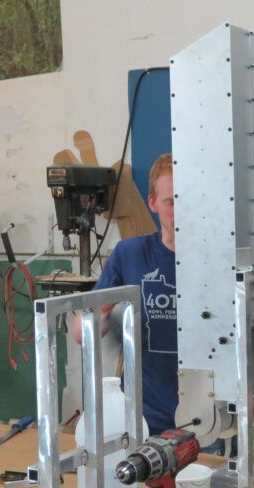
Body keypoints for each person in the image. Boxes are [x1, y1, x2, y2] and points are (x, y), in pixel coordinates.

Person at [71, 153, 178, 435]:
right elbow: (81, 331)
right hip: (144, 417)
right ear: (153, 203)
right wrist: (101, 319)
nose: (180, 211)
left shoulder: (219, 258)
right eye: (171, 202)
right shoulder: (131, 254)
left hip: (208, 419)